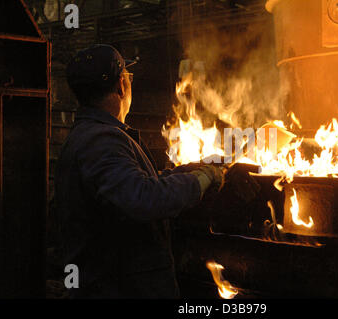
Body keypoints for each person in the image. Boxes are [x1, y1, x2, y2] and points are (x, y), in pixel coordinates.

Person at [54, 44, 228, 298]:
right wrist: (202, 179)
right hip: (120, 289)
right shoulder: (101, 141)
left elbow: (139, 185)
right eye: (128, 76)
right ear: (121, 86)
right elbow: (143, 198)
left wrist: (187, 172)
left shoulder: (92, 136)